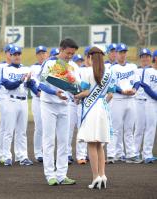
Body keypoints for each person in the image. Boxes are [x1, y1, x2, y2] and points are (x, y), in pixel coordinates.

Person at [39, 38, 78, 185]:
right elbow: (41, 85)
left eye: (72, 54)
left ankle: (62, 175)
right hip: (48, 105)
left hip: (65, 106)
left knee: (64, 140)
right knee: (49, 140)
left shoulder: (73, 66)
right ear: (61, 49)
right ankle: (50, 175)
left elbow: (76, 86)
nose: (70, 56)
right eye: (68, 53)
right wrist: (55, 93)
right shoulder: (50, 63)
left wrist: (78, 94)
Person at [75, 46, 115, 189]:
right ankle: (102, 175)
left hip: (91, 109)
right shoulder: (109, 72)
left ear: (90, 57)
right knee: (100, 145)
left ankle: (95, 177)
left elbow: (85, 92)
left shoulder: (87, 72)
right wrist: (102, 102)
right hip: (103, 108)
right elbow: (111, 94)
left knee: (91, 143)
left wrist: (77, 97)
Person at [106, 43, 142, 164]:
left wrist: (135, 90)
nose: (122, 54)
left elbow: (137, 82)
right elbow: (111, 85)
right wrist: (122, 91)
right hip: (118, 100)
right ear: (116, 54)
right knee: (115, 129)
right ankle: (111, 155)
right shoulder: (112, 68)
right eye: (120, 52)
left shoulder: (132, 66)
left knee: (129, 129)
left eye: (124, 52)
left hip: (131, 100)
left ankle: (131, 154)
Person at [1, 46, 35, 166]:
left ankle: (22, 156)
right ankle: (6, 157)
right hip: (11, 101)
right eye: (14, 54)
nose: (17, 56)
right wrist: (20, 80)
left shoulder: (26, 69)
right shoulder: (6, 69)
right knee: (9, 130)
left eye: (18, 54)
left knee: (22, 131)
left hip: (23, 101)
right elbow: (8, 85)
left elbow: (31, 85)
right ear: (10, 56)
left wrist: (31, 83)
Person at [0, 44, 13, 163]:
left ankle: (3, 153)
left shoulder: (19, 67)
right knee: (4, 127)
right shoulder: (0, 66)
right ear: (6, 53)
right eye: (10, 53)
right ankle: (2, 153)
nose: (12, 55)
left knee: (7, 127)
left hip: (13, 99)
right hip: (4, 98)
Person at [138, 50, 157, 164]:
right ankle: (146, 154)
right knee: (150, 128)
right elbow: (145, 87)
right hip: (150, 102)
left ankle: (149, 153)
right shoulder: (148, 71)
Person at [30, 45, 48, 162]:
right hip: (37, 100)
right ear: (37, 55)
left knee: (48, 128)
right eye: (39, 53)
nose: (42, 55)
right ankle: (38, 153)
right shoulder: (32, 68)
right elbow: (30, 82)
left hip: (48, 100)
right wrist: (37, 92)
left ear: (47, 54)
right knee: (39, 127)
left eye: (43, 53)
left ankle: (46, 152)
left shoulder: (50, 67)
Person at [134, 48, 152, 162]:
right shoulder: (136, 70)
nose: (145, 58)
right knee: (139, 128)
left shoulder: (154, 71)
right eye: (142, 56)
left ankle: (147, 154)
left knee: (150, 129)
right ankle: (135, 153)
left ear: (150, 58)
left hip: (151, 102)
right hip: (138, 101)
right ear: (140, 58)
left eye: (147, 56)